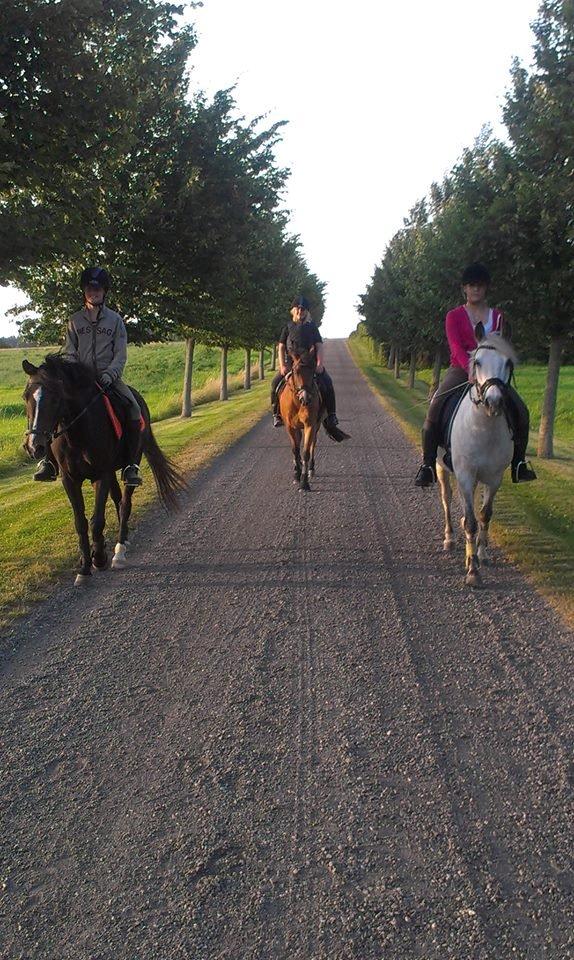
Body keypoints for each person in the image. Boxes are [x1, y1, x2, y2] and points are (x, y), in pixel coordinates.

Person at [414, 262, 537, 487]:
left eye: (480, 286)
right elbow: (455, 347)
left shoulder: (498, 316)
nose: (476, 290)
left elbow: (502, 345)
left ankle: (519, 463)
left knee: (521, 410)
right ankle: (428, 465)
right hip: (461, 370)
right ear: (464, 288)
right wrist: (470, 369)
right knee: (436, 406)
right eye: (471, 286)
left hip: (492, 374)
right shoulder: (454, 316)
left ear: (486, 288)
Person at [33, 266, 143, 486]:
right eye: (90, 289)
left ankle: (131, 466)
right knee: (53, 405)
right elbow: (70, 350)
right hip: (79, 380)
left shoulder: (115, 320)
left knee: (134, 408)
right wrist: (74, 374)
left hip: (108, 378)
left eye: (98, 289)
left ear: (104, 291)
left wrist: (111, 374)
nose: (94, 292)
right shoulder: (74, 321)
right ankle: (48, 462)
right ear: (84, 291)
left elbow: (120, 353)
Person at [270, 296, 339, 429]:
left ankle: (331, 415)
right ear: (293, 310)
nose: (300, 311)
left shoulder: (312, 327)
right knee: (275, 384)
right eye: (298, 309)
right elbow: (281, 347)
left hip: (309, 365)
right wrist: (282, 365)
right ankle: (277, 414)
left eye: (303, 310)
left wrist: (319, 364)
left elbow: (319, 346)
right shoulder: (288, 327)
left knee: (328, 383)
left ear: (306, 312)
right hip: (291, 364)